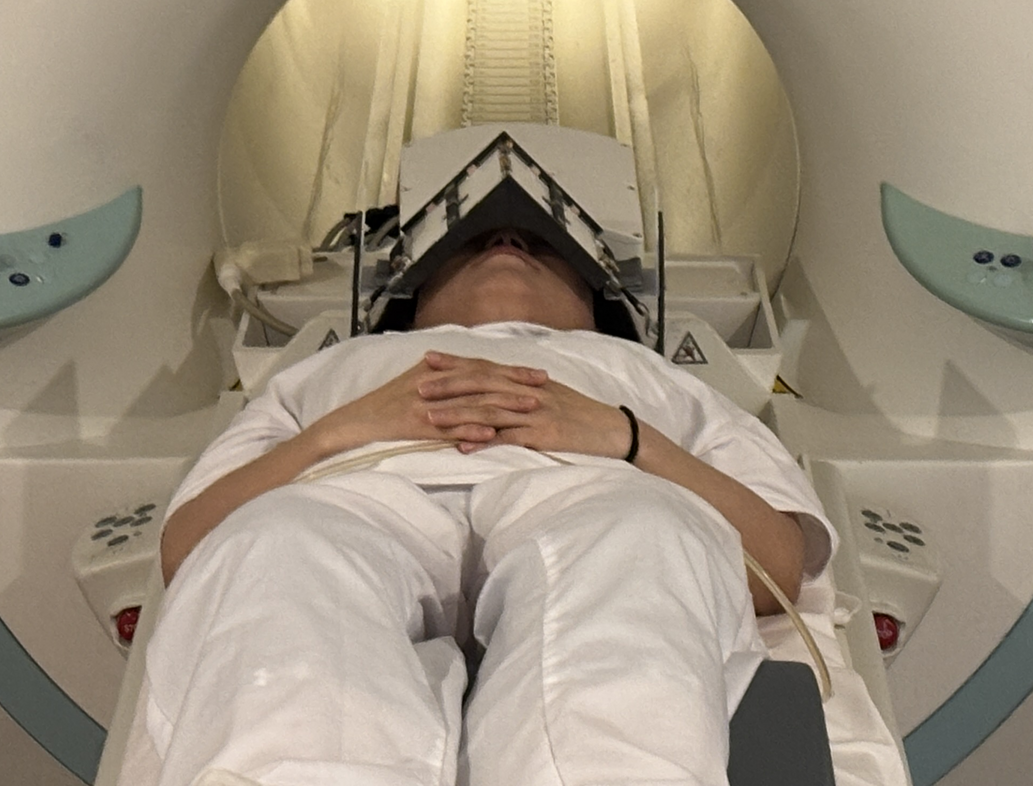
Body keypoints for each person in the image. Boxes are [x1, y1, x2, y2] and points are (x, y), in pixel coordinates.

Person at [137, 228, 836, 786]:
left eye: (544, 247)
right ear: (415, 299)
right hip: (352, 496)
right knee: (279, 544)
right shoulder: (323, 372)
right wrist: (338, 430)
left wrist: (626, 436)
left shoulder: (658, 378)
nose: (507, 241)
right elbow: (190, 551)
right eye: (468, 244)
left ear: (597, 305)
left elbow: (775, 567)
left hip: (596, 495)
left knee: (642, 539)